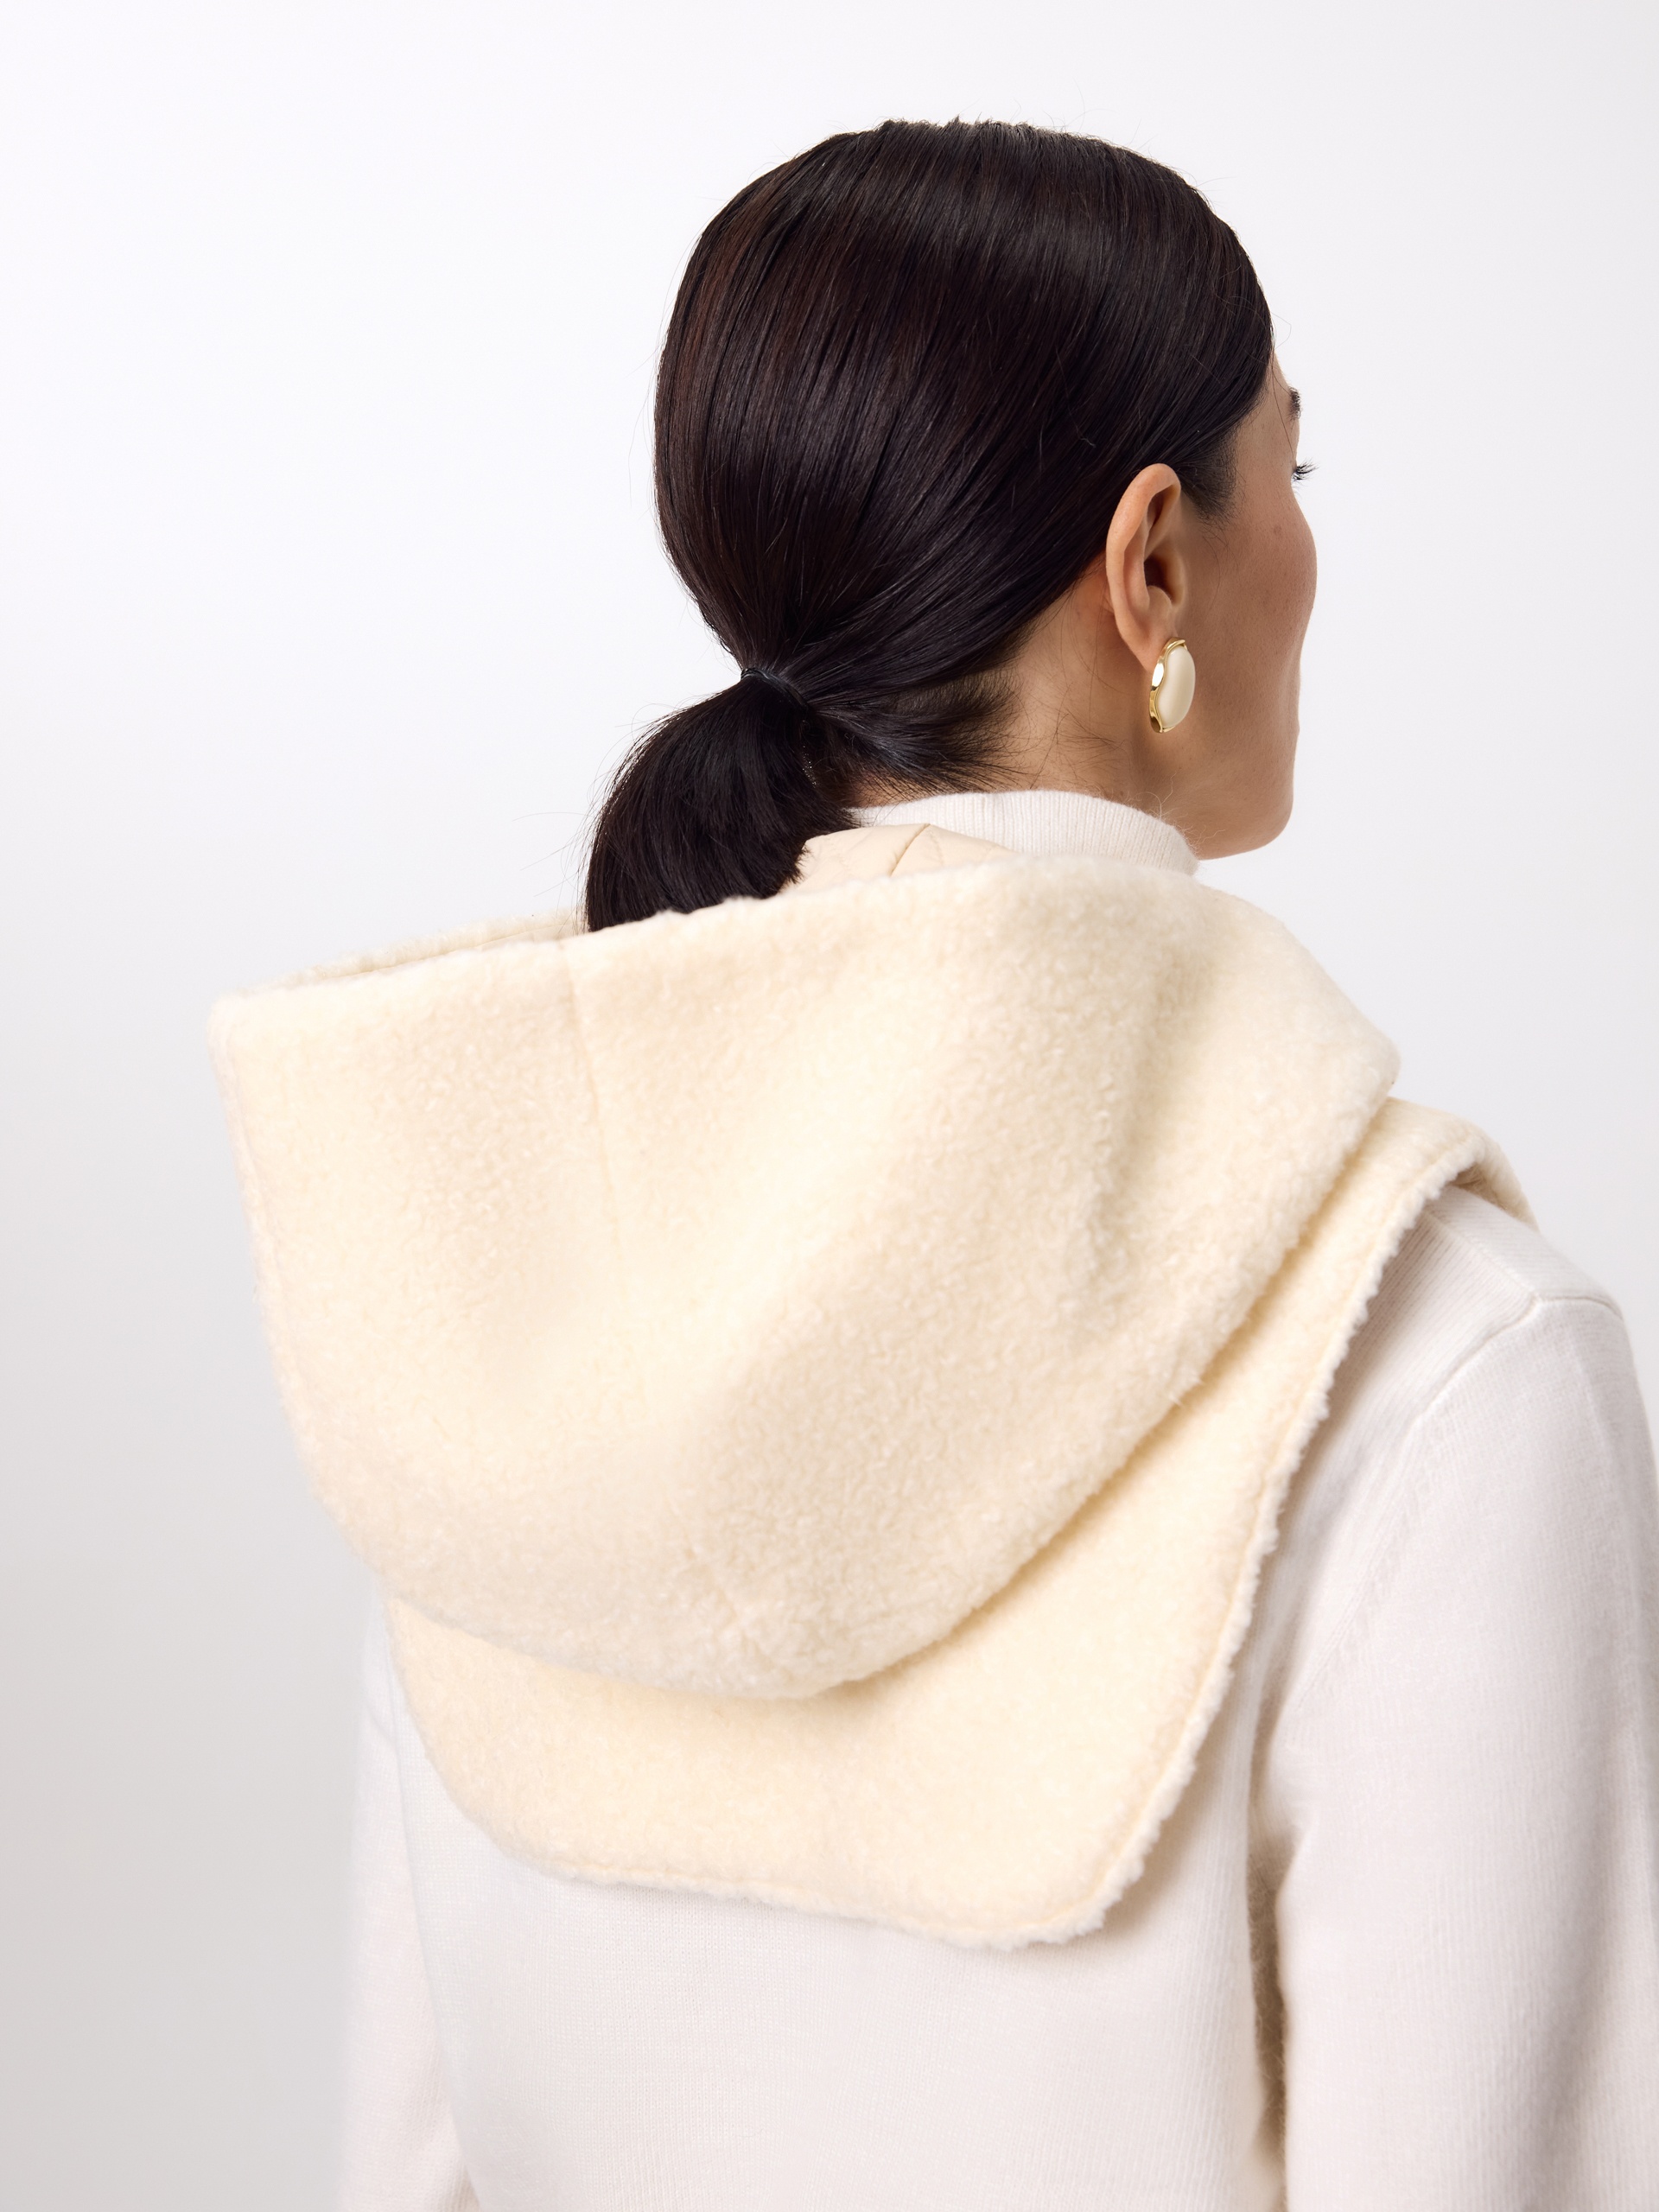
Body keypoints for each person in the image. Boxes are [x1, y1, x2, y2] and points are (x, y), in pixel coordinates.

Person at [213, 121, 1659, 2210]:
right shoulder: (1445, 1367)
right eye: (1293, 467)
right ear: (1153, 564)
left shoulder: (504, 1286)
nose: (1310, 543)